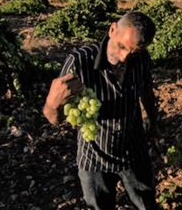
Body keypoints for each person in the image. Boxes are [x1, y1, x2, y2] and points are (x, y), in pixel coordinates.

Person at [43, 11, 160, 210]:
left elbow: (146, 91)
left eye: (133, 52)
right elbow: (54, 118)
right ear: (112, 29)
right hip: (94, 157)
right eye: (121, 47)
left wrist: (153, 123)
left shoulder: (142, 59)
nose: (124, 58)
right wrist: (53, 104)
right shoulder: (79, 63)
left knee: (146, 204)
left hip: (134, 149)